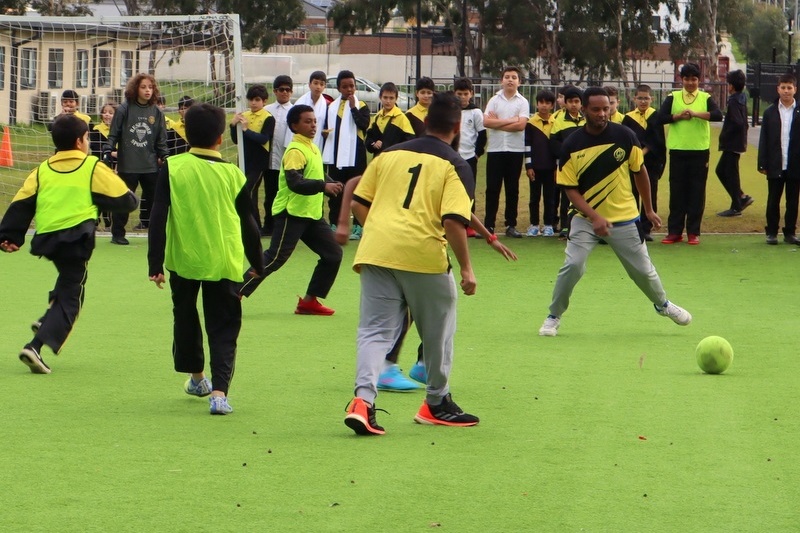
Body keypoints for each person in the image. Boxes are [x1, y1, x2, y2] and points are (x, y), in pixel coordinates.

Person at [343, 92, 481, 436]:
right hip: (422, 255)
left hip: (376, 251)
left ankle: (362, 402)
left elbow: (359, 202)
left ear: (424, 121)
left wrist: (382, 229)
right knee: (438, 331)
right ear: (458, 126)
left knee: (374, 331)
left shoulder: (388, 154)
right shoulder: (456, 164)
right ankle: (436, 402)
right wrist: (466, 268)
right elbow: (453, 221)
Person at [537, 87, 692, 338]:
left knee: (642, 270)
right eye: (596, 109)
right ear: (584, 110)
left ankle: (663, 305)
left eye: (606, 108)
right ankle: (553, 316)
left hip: (624, 217)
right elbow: (570, 189)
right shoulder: (571, 145)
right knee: (573, 264)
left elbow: (639, 171)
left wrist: (649, 210)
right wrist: (595, 216)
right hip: (585, 219)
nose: (602, 114)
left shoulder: (625, 135)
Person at [148, 103, 264, 415]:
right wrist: (258, 262)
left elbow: (157, 216)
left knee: (185, 317)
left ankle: (197, 376)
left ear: (185, 133)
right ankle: (219, 393)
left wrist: (154, 264)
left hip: (184, 260)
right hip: (224, 261)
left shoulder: (172, 167)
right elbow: (249, 223)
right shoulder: (233, 174)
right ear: (220, 139)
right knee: (224, 326)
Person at [0, 114, 138, 374]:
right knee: (72, 297)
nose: (88, 142)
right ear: (79, 142)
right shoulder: (92, 166)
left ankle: (46, 321)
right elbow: (127, 201)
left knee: (68, 281)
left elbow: (21, 204)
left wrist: (9, 236)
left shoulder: (41, 169)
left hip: (48, 239)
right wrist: (98, 200)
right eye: (87, 138)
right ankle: (35, 346)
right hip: (76, 239)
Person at [238, 104, 344, 314]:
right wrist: (323, 186)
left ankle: (309, 301)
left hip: (311, 216)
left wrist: (333, 184)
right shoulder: (295, 150)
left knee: (333, 254)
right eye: (307, 121)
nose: (313, 125)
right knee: (275, 258)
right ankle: (234, 294)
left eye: (314, 121)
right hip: (291, 213)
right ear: (294, 126)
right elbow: (295, 182)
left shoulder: (312, 147)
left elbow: (316, 175)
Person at [657, 62, 723, 245]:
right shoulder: (673, 97)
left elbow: (718, 115)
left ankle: (693, 232)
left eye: (694, 79)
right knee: (676, 191)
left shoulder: (705, 97)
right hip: (678, 150)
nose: (690, 83)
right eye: (687, 79)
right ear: (681, 80)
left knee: (696, 192)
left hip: (699, 151)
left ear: (699, 80)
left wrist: (695, 114)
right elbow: (660, 118)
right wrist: (677, 117)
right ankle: (674, 232)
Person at [104, 72, 169, 245]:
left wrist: (165, 156)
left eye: (150, 87)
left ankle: (158, 234)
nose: (148, 91)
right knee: (125, 200)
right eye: (143, 87)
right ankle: (117, 233)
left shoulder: (156, 112)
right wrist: (108, 149)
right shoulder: (124, 109)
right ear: (135, 89)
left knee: (157, 202)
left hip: (150, 166)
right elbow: (114, 134)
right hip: (129, 166)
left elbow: (161, 140)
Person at [322, 70, 370, 240]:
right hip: (336, 156)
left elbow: (364, 124)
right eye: (345, 86)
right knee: (337, 190)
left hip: (356, 155)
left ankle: (358, 226)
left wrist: (353, 108)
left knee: (358, 191)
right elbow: (327, 127)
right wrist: (325, 134)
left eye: (352, 86)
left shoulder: (361, 105)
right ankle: (334, 223)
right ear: (339, 88)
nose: (349, 89)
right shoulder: (332, 107)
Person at [482, 66, 530, 238]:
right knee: (492, 189)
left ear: (519, 81)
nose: (510, 80)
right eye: (507, 77)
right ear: (501, 80)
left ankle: (511, 225)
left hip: (515, 151)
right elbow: (487, 122)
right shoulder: (494, 100)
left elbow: (521, 126)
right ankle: (488, 226)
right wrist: (510, 120)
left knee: (512, 189)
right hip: (495, 150)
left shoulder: (522, 102)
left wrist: (499, 122)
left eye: (514, 77)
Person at [757, 73, 800, 245]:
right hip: (776, 163)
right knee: (773, 199)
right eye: (783, 87)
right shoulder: (770, 112)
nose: (786, 91)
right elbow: (764, 139)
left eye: (789, 87)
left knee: (793, 200)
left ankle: (790, 232)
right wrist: (762, 163)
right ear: (778, 89)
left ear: (795, 89)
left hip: (795, 163)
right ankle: (772, 232)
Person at [622, 84, 666, 241]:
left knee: (650, 193)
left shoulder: (655, 117)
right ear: (634, 99)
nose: (643, 101)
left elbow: (658, 141)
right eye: (640, 98)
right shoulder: (628, 118)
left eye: (646, 98)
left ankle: (646, 227)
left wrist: (643, 153)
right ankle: (632, 226)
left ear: (652, 99)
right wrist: (634, 155)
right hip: (631, 162)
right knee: (632, 193)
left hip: (650, 163)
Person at [230, 84, 275, 226]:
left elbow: (264, 139)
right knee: (248, 194)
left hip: (259, 163)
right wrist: (233, 126)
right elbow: (236, 140)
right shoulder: (244, 116)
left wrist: (246, 130)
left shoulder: (268, 118)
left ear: (264, 101)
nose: (253, 103)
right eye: (251, 99)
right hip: (243, 161)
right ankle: (255, 226)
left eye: (257, 99)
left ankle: (251, 225)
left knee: (247, 191)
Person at [716, 70, 754, 218]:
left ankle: (736, 205)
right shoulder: (741, 97)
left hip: (732, 144)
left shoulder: (733, 101)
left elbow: (738, 122)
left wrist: (725, 135)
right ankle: (741, 197)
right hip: (737, 143)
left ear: (731, 85)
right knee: (723, 171)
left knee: (730, 173)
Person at [549, 85, 585, 238]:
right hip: (567, 165)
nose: (573, 104)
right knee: (567, 196)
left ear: (581, 103)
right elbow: (554, 142)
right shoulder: (559, 120)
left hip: (584, 165)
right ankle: (565, 226)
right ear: (565, 102)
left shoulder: (586, 120)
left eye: (576, 101)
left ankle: (585, 226)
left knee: (585, 195)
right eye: (570, 101)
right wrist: (566, 155)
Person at [454, 77, 487, 238]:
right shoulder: (451, 110)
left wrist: (477, 153)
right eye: (459, 93)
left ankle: (469, 224)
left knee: (469, 191)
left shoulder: (476, 112)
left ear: (471, 94)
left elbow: (482, 135)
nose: (462, 97)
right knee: (452, 190)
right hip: (452, 157)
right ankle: (452, 223)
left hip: (469, 158)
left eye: (465, 93)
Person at [262, 75, 295, 236]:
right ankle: (268, 225)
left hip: (286, 161)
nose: (285, 93)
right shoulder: (267, 110)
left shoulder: (294, 111)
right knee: (270, 194)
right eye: (281, 89)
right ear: (275, 91)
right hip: (269, 161)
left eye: (288, 90)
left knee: (285, 195)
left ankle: (283, 226)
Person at [524, 89, 557, 237]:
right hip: (535, 168)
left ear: (552, 105)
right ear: (536, 104)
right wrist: (528, 166)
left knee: (550, 198)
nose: (544, 105)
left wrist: (557, 167)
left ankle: (548, 225)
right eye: (541, 102)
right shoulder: (531, 123)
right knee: (534, 198)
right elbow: (527, 145)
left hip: (551, 168)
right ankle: (534, 224)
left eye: (547, 103)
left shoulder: (556, 123)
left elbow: (557, 147)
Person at [365, 82, 416, 157]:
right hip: (378, 161)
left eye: (391, 98)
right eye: (385, 97)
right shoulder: (376, 118)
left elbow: (410, 141)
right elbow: (368, 139)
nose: (388, 101)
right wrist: (373, 144)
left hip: (394, 161)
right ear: (380, 97)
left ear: (396, 99)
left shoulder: (401, 118)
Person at [90, 102, 118, 230]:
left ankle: (108, 222)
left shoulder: (119, 130)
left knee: (110, 195)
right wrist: (111, 153)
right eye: (105, 112)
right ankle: (94, 221)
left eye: (111, 113)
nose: (107, 115)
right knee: (97, 194)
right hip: (99, 166)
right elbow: (96, 148)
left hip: (114, 169)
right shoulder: (96, 130)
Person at [293, 70, 331, 151]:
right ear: (309, 84)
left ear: (324, 86)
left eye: (321, 84)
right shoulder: (300, 103)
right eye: (315, 83)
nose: (318, 87)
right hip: (301, 142)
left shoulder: (327, 105)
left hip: (318, 143)